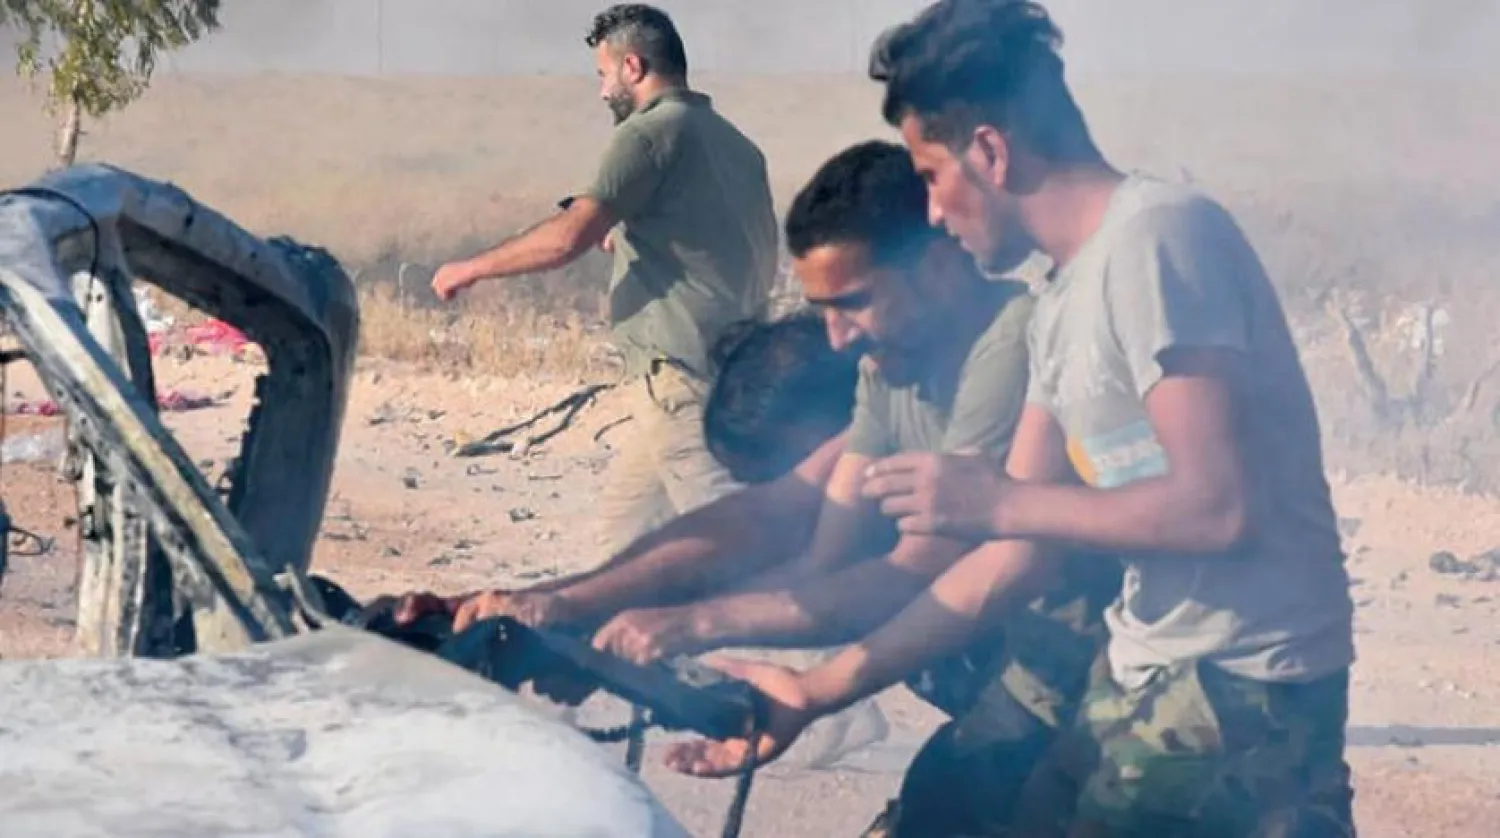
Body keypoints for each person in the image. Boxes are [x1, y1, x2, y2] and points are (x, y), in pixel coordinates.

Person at [668, 3, 1358, 836]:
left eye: (930, 174)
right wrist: (815, 692)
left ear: (990, 151)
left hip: (1240, 688)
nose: (929, 212)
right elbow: (1012, 556)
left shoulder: (1158, 240)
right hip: (1146, 672)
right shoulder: (1063, 299)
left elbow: (1216, 506)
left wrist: (997, 503)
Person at [401, 140, 1116, 835]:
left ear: (932, 266)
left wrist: (689, 626)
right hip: (1026, 684)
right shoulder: (889, 370)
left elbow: (911, 573)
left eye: (855, 302)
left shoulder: (1011, 342)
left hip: (1101, 685)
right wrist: (576, 613)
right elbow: (787, 532)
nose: (836, 339)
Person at [428, 3, 779, 562]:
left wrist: (468, 269)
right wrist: (629, 236)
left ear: (633, 67)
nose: (600, 91)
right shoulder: (734, 143)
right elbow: (709, 240)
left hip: (682, 378)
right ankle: (628, 645)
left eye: (603, 74)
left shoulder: (647, 135)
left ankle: (821, 640)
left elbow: (566, 238)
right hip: (727, 367)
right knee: (625, 545)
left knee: (743, 547)